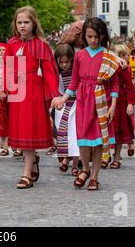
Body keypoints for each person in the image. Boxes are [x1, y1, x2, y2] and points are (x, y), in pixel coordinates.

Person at [52, 17, 119, 191]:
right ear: (84, 37)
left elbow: (115, 84)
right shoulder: (80, 55)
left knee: (97, 141)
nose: (93, 40)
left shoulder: (108, 56)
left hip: (101, 102)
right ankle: (85, 169)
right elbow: (74, 82)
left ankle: (94, 176)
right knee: (82, 140)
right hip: (83, 101)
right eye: (89, 37)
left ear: (102, 36)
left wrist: (113, 105)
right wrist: (63, 99)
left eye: (97, 36)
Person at [0, 6, 59, 189]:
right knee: (20, 132)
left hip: (33, 91)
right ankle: (31, 163)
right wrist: (3, 89)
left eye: (26, 22)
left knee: (29, 130)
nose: (22, 26)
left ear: (34, 23)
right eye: (19, 22)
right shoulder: (11, 44)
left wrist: (55, 95)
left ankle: (25, 174)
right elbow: (7, 70)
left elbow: (50, 73)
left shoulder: (42, 45)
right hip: (16, 91)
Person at [53, 44, 80, 176]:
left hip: (76, 105)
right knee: (63, 133)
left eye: (67, 62)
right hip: (64, 106)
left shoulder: (77, 73)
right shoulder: (58, 75)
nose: (64, 65)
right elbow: (59, 92)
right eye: (61, 62)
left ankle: (75, 163)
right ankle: (65, 157)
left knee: (75, 135)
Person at [111, 45, 135, 168]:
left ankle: (116, 157)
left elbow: (130, 86)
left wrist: (130, 103)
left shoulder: (124, 68)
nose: (127, 58)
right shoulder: (109, 65)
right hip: (107, 97)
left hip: (121, 100)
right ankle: (105, 156)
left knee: (119, 129)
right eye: (125, 55)